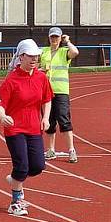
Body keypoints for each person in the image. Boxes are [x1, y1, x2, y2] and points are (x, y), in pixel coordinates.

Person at [0, 39, 53, 217]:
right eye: (30, 56)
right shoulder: (11, 80)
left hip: (34, 127)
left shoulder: (41, 77)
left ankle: (13, 180)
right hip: (15, 129)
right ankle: (16, 202)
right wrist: (3, 116)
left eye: (36, 56)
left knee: (37, 166)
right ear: (21, 57)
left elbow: (47, 99)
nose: (34, 59)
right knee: (21, 166)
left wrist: (45, 118)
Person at [41, 27, 80, 163]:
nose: (54, 39)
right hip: (46, 91)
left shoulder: (64, 52)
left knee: (64, 119)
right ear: (49, 38)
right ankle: (51, 149)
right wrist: (41, 70)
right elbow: (36, 67)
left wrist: (68, 41)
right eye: (52, 37)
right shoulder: (44, 51)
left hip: (61, 91)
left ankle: (71, 150)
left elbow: (75, 52)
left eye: (57, 37)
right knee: (49, 121)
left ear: (60, 38)